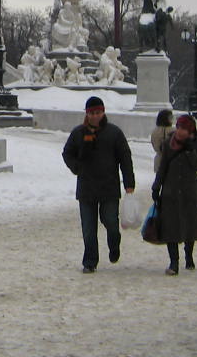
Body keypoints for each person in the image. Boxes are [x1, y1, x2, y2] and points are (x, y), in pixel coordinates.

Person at [62, 96, 135, 273]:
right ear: (87, 114)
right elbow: (67, 153)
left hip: (108, 186)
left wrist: (129, 183)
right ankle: (90, 261)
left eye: (98, 112)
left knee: (110, 221)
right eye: (92, 113)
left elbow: (125, 158)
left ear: (103, 112)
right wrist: (77, 167)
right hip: (86, 187)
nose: (95, 116)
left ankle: (114, 242)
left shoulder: (114, 133)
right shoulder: (78, 133)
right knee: (88, 228)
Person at [152, 114, 197, 275]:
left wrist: (190, 151)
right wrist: (156, 187)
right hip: (171, 190)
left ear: (190, 131)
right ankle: (173, 262)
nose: (180, 131)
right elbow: (163, 167)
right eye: (179, 127)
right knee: (171, 227)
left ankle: (188, 255)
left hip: (189, 190)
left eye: (184, 128)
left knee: (190, 224)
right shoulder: (169, 143)